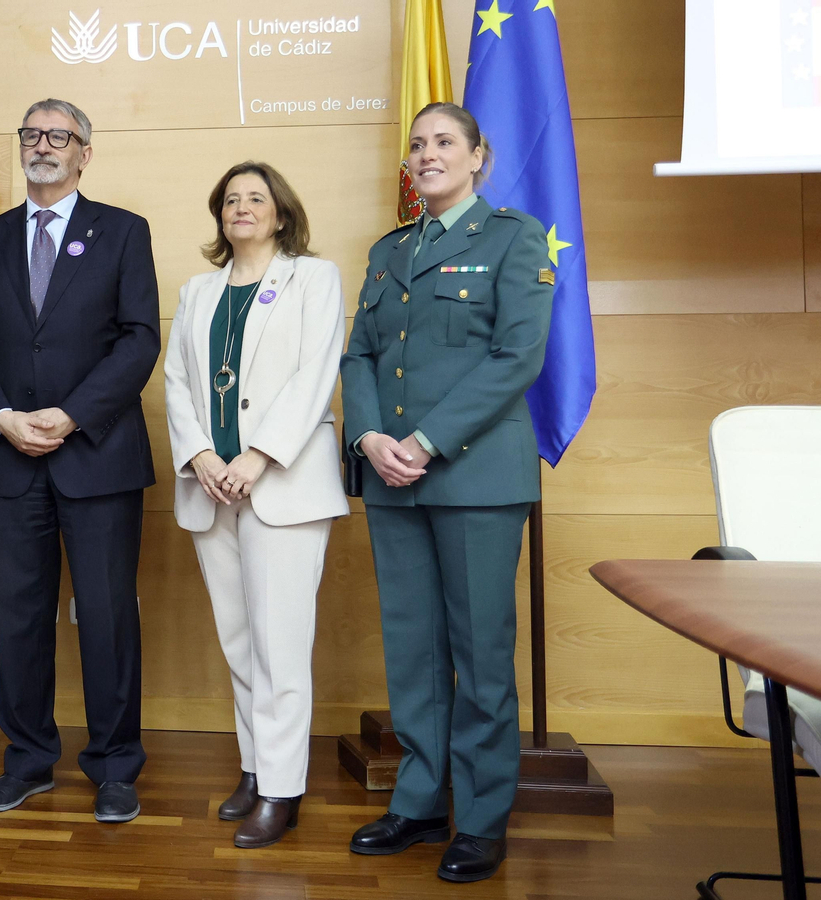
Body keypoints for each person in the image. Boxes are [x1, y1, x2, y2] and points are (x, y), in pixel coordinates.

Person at [340, 102, 554, 883]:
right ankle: (422, 800)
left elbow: (516, 357)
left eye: (443, 143)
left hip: (472, 479)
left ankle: (485, 816)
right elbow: (358, 355)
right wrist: (367, 439)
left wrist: (424, 442)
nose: (427, 155)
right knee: (415, 652)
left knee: (480, 655)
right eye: (418, 145)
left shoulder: (513, 238)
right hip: (391, 478)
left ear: (478, 158)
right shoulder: (390, 249)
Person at [0, 98, 160, 824]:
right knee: (20, 618)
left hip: (98, 456)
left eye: (60, 136)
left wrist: (72, 414)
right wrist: (4, 418)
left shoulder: (124, 232)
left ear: (84, 153)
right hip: (12, 457)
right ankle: (28, 761)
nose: (43, 146)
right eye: (32, 134)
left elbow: (139, 340)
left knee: (106, 617)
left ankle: (114, 766)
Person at [162, 161, 348, 848]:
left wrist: (257, 456)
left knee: (279, 645)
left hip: (282, 488)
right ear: (220, 216)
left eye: (256, 199)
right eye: (231, 199)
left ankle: (282, 789)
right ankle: (253, 768)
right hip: (211, 487)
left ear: (280, 214)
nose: (242, 208)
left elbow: (314, 374)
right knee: (240, 643)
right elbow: (178, 378)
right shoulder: (198, 290)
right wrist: (202, 457)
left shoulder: (314, 279)